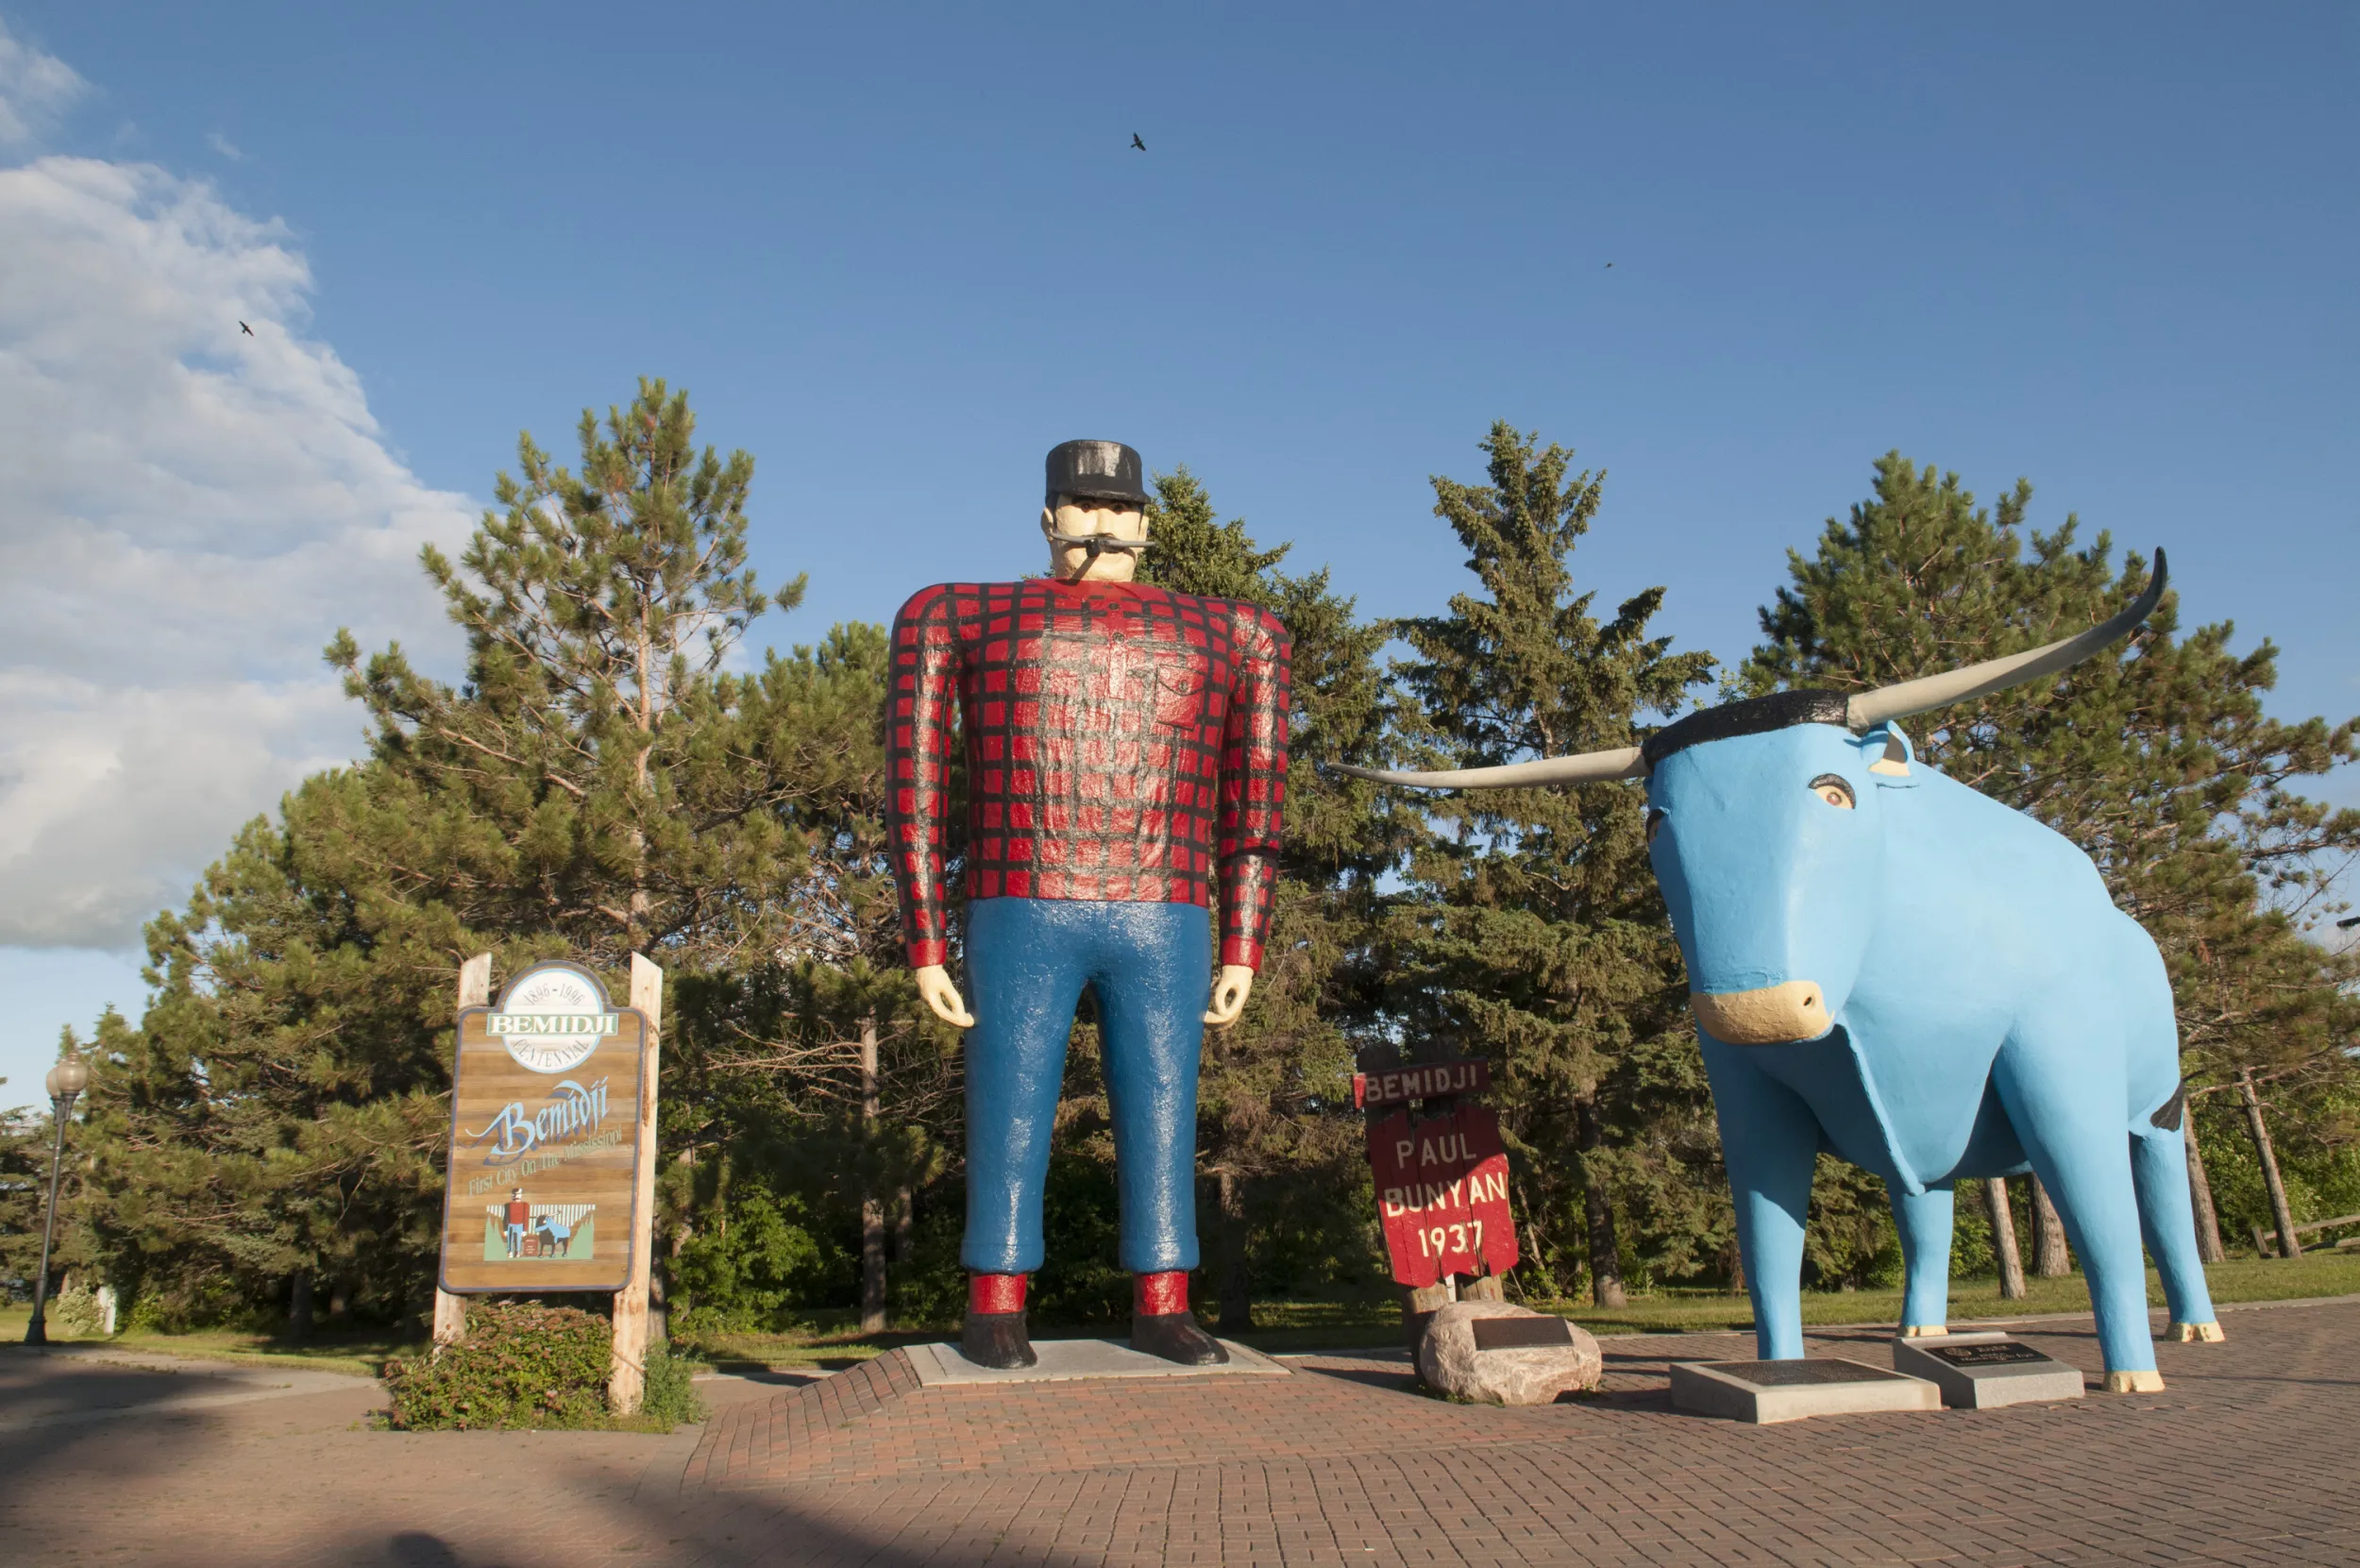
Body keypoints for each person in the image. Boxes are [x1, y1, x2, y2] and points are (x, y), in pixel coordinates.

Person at [886, 439, 1291, 1368]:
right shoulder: (954, 615)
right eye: (1080, 502)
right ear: (1048, 517)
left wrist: (1242, 943)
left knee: (1161, 1103)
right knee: (1009, 1097)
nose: (1100, 520)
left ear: (1146, 523)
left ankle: (1163, 1296)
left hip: (1166, 899)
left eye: (1116, 505)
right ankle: (994, 1295)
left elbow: (1257, 795)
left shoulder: (1239, 633)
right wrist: (924, 937)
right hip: (1019, 891)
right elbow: (912, 779)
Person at [503, 1189, 530, 1258]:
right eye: (515, 1194)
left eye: (518, 1193)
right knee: (509, 1239)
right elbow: (505, 1217)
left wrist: (525, 1229)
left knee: (518, 1239)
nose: (516, 1195)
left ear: (521, 1195)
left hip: (519, 1225)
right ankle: (510, 1251)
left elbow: (526, 1217)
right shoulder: (507, 1205)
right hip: (510, 1225)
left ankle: (517, 1252)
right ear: (512, 1195)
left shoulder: (525, 1205)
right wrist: (505, 1229)